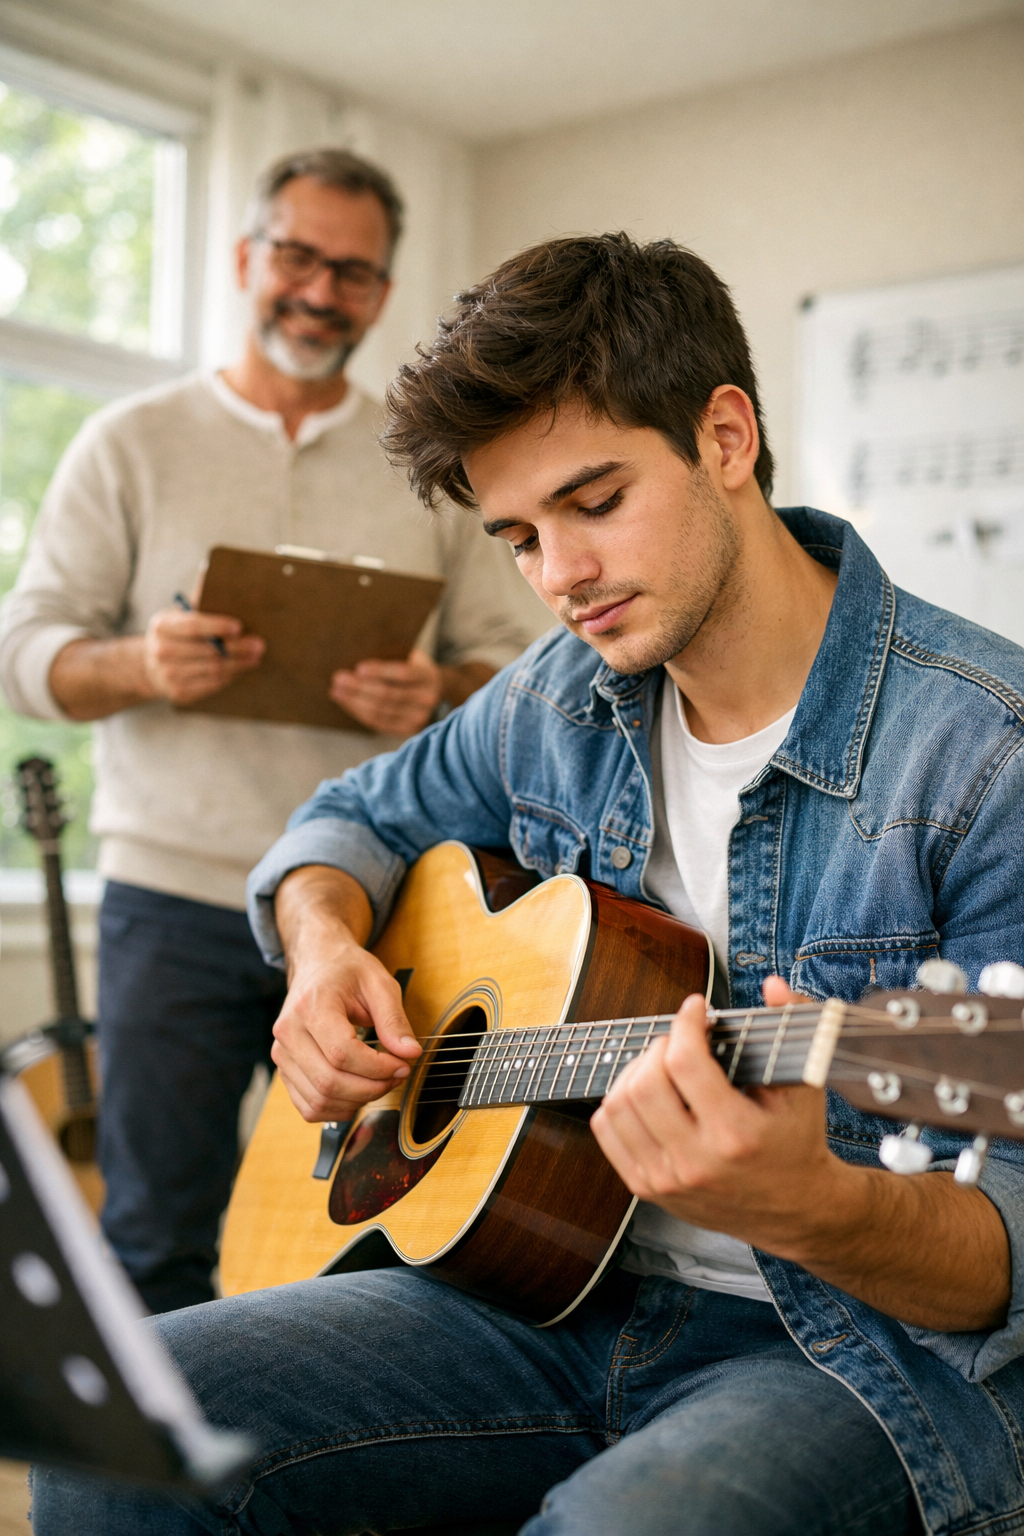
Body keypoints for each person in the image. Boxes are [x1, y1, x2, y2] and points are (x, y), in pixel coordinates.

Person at [31, 234, 1024, 1536]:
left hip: (845, 1350)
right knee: (115, 1433)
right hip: (539, 1294)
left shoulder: (984, 755)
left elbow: (1004, 1262)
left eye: (595, 501)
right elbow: (346, 818)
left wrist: (817, 1205)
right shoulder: (563, 697)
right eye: (517, 538)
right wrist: (326, 949)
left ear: (726, 436)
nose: (560, 578)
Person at [0, 148, 546, 1316]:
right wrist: (140, 661)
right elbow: (25, 655)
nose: (318, 289)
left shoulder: (427, 461)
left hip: (381, 912)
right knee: (154, 1238)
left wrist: (437, 686)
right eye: (296, 255)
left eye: (352, 271)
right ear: (247, 259)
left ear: (383, 294)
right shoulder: (128, 443)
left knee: (399, 1233)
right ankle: (150, 1495)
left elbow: (523, 663)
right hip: (176, 903)